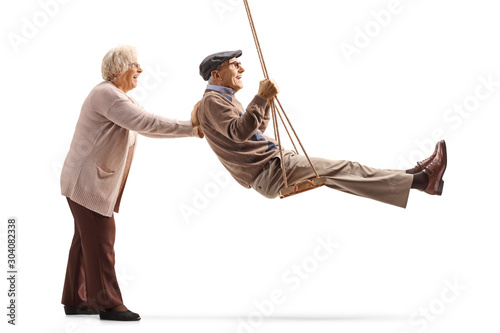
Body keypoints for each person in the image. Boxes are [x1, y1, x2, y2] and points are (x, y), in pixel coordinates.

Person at [196, 50, 447, 208]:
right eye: (234, 64)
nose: (241, 69)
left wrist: (266, 102)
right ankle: (423, 181)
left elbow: (255, 129)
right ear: (216, 74)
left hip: (275, 161)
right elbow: (239, 134)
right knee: (344, 169)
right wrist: (260, 98)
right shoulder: (212, 102)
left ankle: (415, 175)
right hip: (268, 171)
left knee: (348, 170)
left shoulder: (225, 98)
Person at [60, 45, 203, 321]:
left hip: (85, 180)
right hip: (87, 183)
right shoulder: (108, 96)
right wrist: (191, 127)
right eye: (134, 64)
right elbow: (146, 122)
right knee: (101, 240)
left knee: (84, 239)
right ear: (117, 70)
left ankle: (76, 300)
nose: (140, 69)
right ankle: (109, 304)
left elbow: (145, 125)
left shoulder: (116, 96)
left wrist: (191, 129)